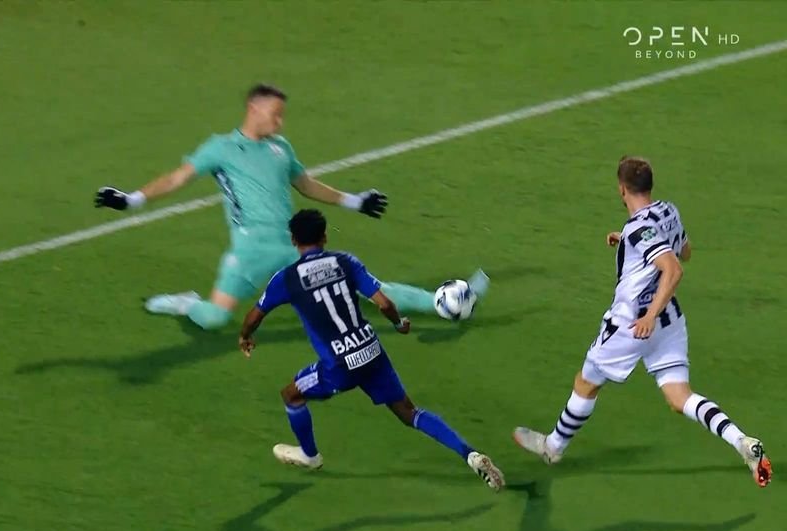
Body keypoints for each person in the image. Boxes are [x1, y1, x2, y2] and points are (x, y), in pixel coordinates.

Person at [95, 83, 487, 330]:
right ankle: (186, 305)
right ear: (254, 108)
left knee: (360, 286)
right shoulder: (220, 148)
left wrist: (356, 201)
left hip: (293, 248)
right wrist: (131, 199)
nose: (280, 123)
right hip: (249, 252)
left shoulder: (281, 149)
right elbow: (177, 178)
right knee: (214, 319)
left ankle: (440, 302)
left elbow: (305, 184)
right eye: (276, 114)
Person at [513, 156, 772, 488]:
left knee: (586, 382)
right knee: (679, 397)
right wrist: (628, 242)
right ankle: (741, 441)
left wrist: (648, 313)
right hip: (669, 322)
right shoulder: (667, 211)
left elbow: (674, 268)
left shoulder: (637, 229)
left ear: (622, 189)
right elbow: (684, 251)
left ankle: (553, 447)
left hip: (633, 325)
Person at [238, 209, 504, 492]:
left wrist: (245, 336)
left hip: (338, 366)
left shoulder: (286, 279)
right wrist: (399, 323)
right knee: (409, 412)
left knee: (291, 395)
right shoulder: (345, 261)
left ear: (293, 240)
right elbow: (384, 303)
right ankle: (470, 455)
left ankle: (310, 456)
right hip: (370, 349)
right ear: (325, 236)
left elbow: (256, 314)